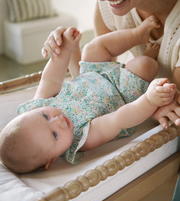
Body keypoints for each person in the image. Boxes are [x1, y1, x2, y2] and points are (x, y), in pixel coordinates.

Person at [0, 16, 177, 174]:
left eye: (45, 116)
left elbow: (50, 79)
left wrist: (66, 49)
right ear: (53, 159)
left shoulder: (38, 105)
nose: (57, 120)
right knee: (144, 65)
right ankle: (147, 54)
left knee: (93, 47)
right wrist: (148, 100)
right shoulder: (81, 138)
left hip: (91, 74)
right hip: (122, 91)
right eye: (54, 135)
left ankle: (137, 35)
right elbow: (117, 120)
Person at [41, 0, 180, 130]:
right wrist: (66, 51)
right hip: (124, 88)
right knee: (92, 49)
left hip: (139, 93)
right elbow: (93, 83)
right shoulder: (109, 5)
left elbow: (170, 112)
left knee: (142, 67)